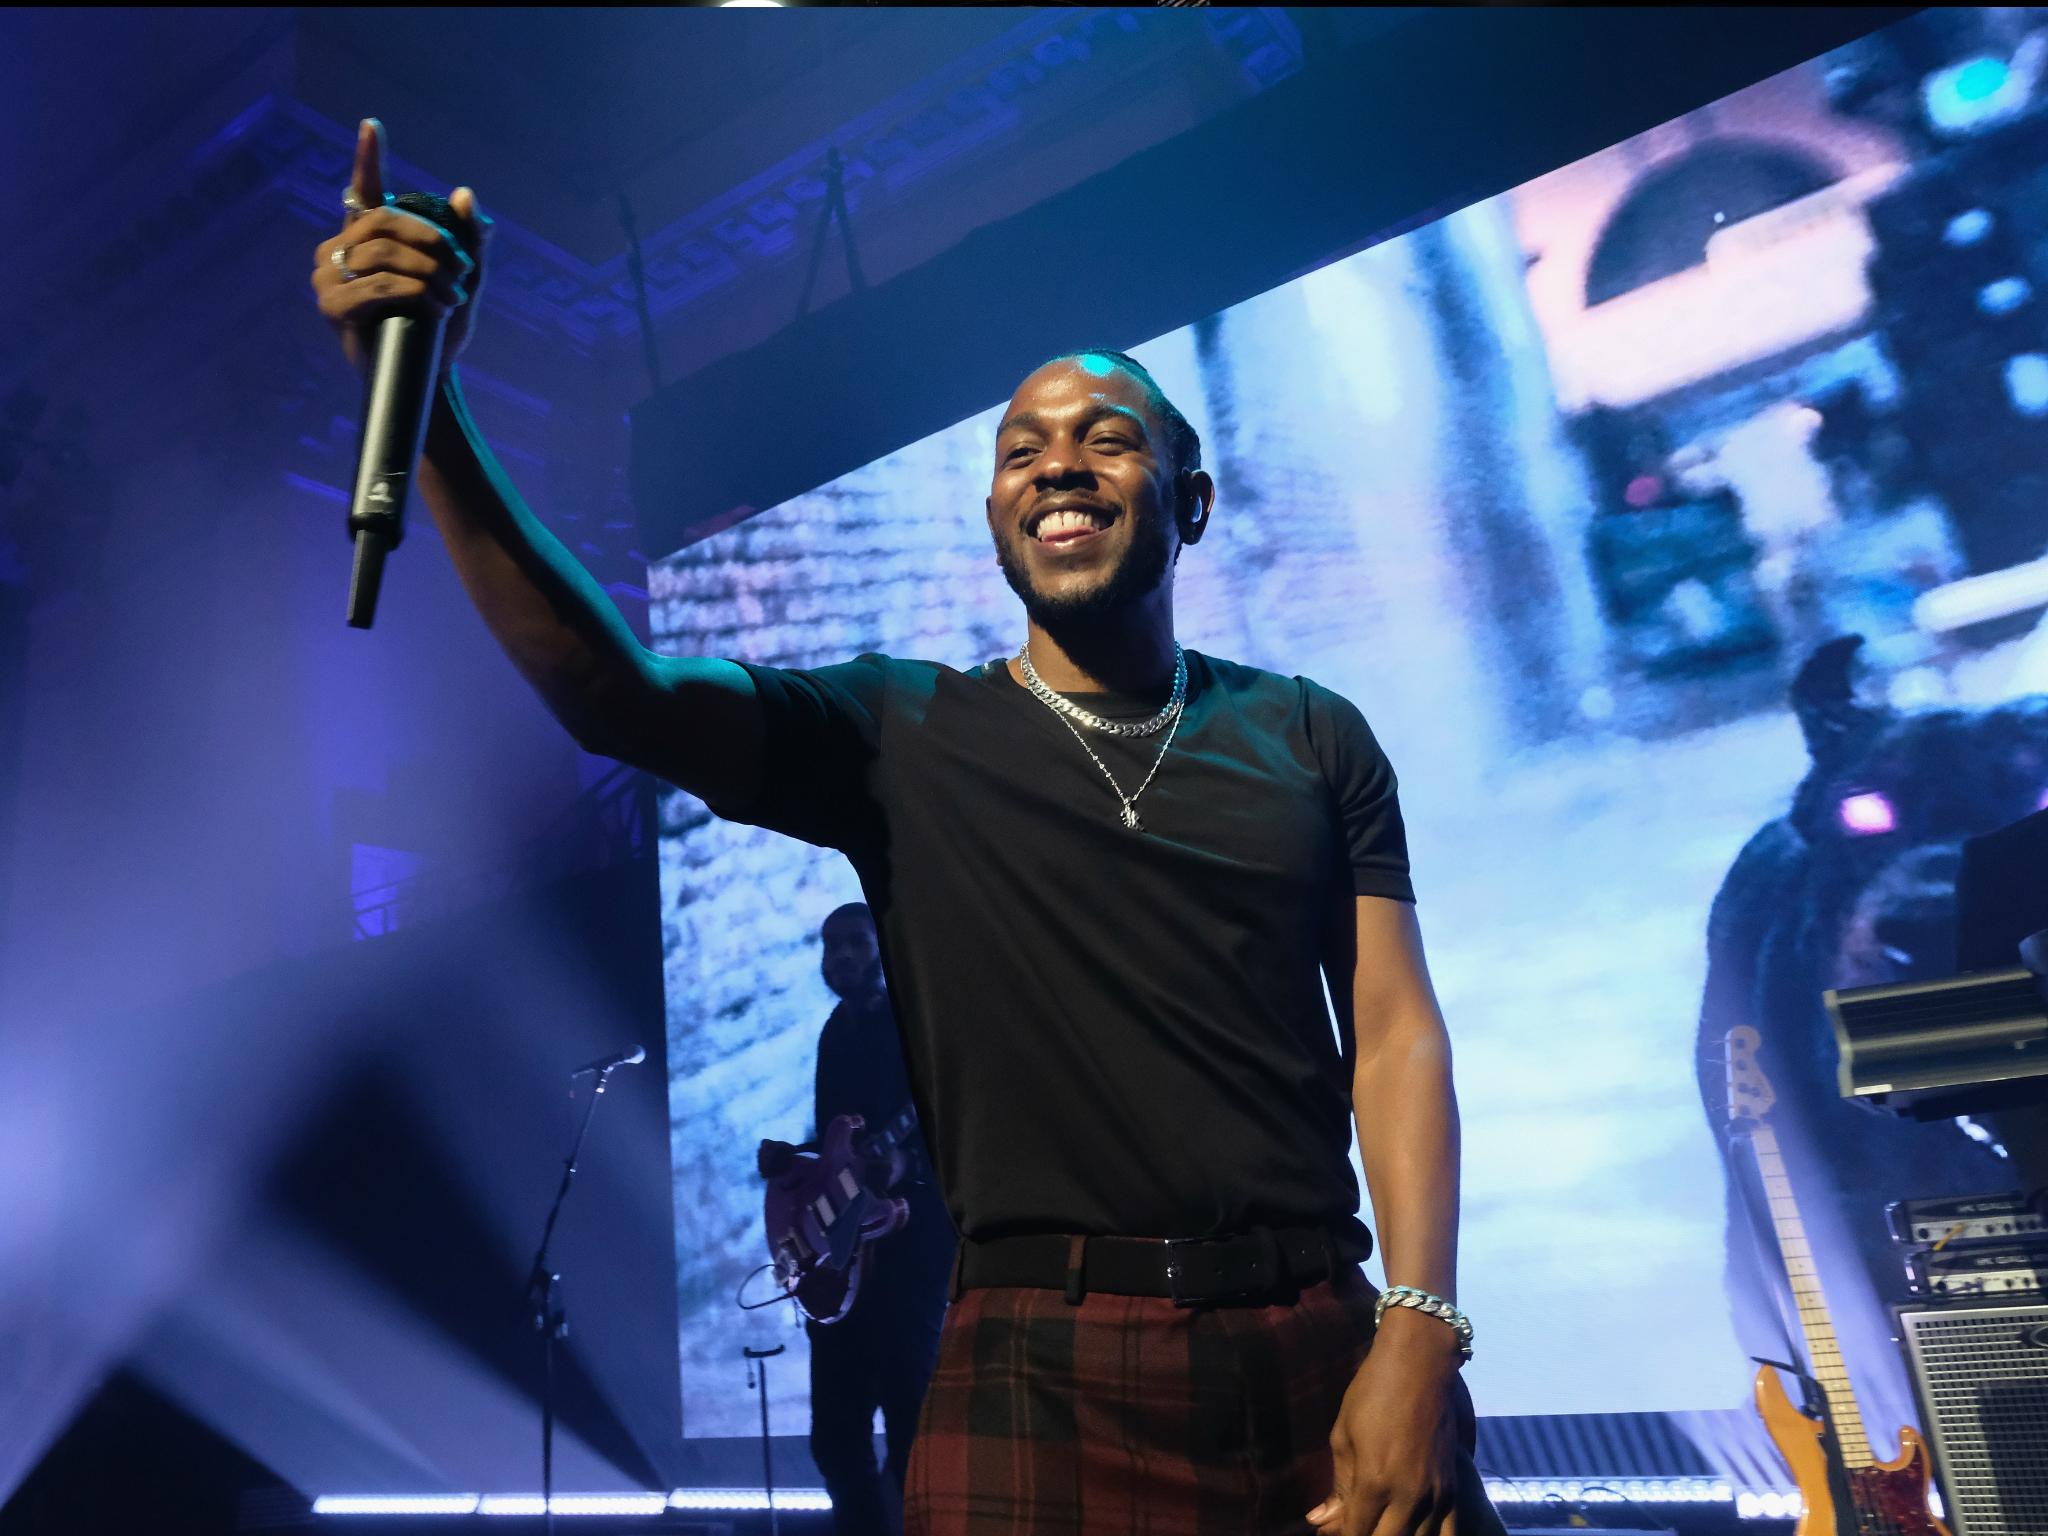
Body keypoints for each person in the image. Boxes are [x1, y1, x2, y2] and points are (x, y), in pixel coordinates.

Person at [313, 119, 1506, 1536]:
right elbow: (610, 694)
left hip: (1321, 1336)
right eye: (1022, 451)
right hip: (1039, 1374)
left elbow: (1392, 1031)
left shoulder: (1312, 733)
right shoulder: (902, 732)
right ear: (1001, 520)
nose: (1058, 463)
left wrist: (1419, 1325)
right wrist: (432, 405)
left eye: (1105, 437)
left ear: (1185, 503)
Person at [758, 904, 955, 1536]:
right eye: (830, 945)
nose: (839, 955)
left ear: (883, 948)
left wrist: (906, 1162)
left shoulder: (922, 1021)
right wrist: (795, 1160)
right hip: (845, 1254)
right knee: (835, 1438)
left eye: (854, 943)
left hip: (913, 1245)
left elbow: (959, 1121)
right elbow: (837, 1145)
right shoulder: (834, 1032)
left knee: (910, 1428)